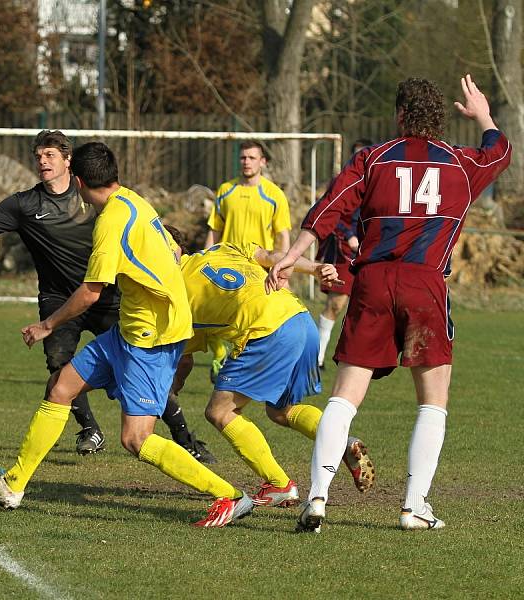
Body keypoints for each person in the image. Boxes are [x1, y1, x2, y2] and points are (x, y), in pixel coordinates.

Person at [267, 75, 511, 532]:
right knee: (432, 402)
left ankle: (317, 498)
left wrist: (289, 258)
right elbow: (500, 152)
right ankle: (413, 506)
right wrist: (482, 115)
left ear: (400, 114)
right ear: (439, 118)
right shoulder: (460, 164)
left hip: (373, 282)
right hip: (424, 286)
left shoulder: (372, 158)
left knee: (344, 397)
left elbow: (326, 212)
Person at [0, 142, 253, 527]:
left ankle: (230, 496)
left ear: (81, 182)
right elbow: (171, 248)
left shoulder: (109, 224)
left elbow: (91, 292)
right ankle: (14, 484)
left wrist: (46, 325)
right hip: (129, 330)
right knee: (61, 388)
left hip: (150, 340)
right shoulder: (135, 201)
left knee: (136, 439)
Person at [0, 130, 215, 463]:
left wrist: (172, 244)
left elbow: (142, 226)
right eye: (38, 155)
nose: (42, 161)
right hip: (59, 298)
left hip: (104, 294)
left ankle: (186, 439)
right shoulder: (25, 205)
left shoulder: (94, 198)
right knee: (60, 366)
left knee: (136, 369)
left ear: (68, 160)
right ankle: (89, 428)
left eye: (50, 154)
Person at [164, 226, 374, 510]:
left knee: (219, 411)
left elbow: (183, 359)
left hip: (268, 331)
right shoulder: (224, 249)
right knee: (281, 410)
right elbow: (273, 255)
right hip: (300, 319)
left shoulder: (175, 295)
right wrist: (313, 268)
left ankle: (279, 484)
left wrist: (170, 389)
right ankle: (344, 442)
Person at [204, 141, 292, 381]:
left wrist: (283, 267)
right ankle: (221, 354)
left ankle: (243, 366)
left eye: (252, 158)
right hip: (227, 264)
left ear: (262, 162)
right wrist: (205, 257)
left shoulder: (274, 194)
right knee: (210, 313)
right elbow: (214, 229)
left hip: (258, 267)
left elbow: (283, 234)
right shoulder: (225, 190)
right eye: (243, 157)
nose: (247, 162)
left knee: (253, 322)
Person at [315, 138, 373, 369]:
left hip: (372, 250)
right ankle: (317, 357)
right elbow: (330, 213)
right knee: (336, 304)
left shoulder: (379, 180)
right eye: (357, 155)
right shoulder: (341, 182)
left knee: (370, 306)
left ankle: (363, 359)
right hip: (344, 250)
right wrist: (348, 235)